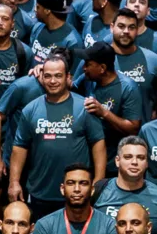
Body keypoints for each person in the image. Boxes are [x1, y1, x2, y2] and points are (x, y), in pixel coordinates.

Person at [6, 55, 106, 216]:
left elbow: (98, 145)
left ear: (68, 77)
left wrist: (98, 183)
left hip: (78, 192)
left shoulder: (85, 108)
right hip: (41, 191)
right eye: (48, 76)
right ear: (41, 77)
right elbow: (20, 147)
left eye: (58, 76)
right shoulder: (30, 109)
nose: (53, 81)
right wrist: (14, 182)